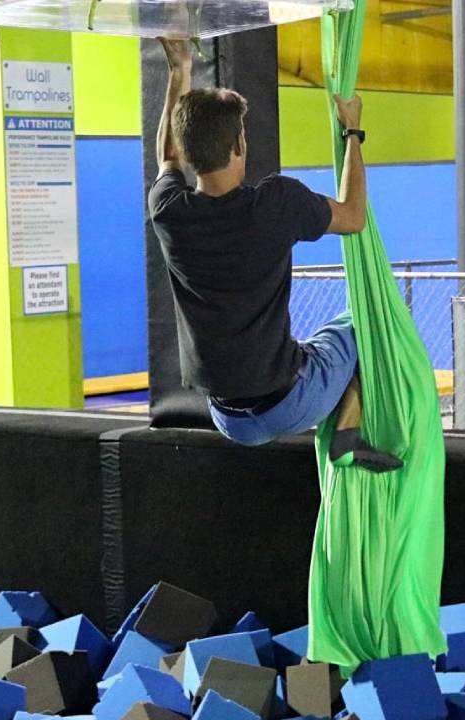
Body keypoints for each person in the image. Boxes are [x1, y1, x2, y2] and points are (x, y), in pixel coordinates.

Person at [148, 38, 402, 472]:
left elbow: (167, 156)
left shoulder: (169, 210)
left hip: (227, 418)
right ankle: (347, 430)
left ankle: (339, 416)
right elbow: (354, 216)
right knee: (369, 324)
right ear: (239, 145)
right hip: (291, 404)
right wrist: (353, 133)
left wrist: (179, 72)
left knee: (313, 346)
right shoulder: (275, 204)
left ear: (190, 153)